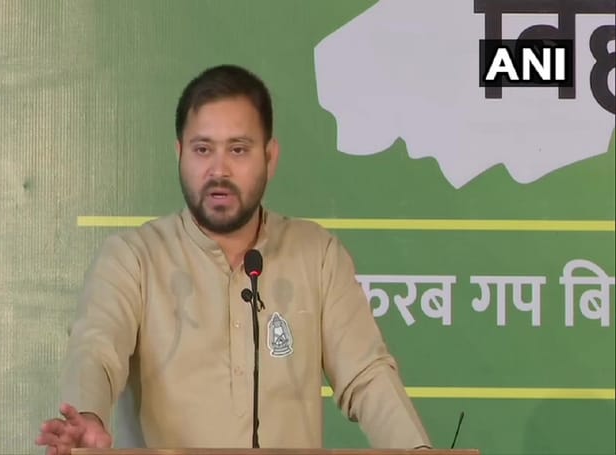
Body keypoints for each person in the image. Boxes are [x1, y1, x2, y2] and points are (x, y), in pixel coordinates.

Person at [36, 64, 432, 454]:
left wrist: (416, 450)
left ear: (270, 158)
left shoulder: (318, 255)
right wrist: (88, 415)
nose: (219, 170)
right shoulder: (132, 259)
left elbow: (366, 375)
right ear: (179, 154)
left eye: (238, 150)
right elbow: (97, 349)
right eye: (202, 149)